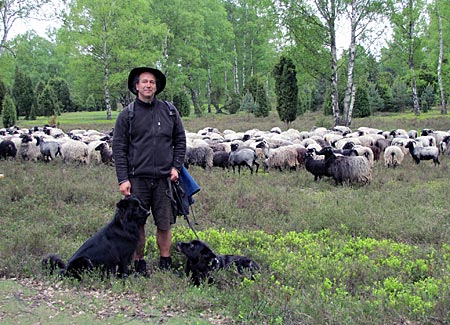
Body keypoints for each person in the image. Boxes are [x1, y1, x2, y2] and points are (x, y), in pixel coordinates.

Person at [112, 67, 186, 275]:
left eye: (152, 82)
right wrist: (123, 179)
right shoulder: (127, 115)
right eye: (144, 82)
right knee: (138, 224)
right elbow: (119, 148)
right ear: (136, 86)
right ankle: (139, 263)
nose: (148, 85)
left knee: (164, 222)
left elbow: (180, 140)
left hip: (164, 179)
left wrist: (176, 167)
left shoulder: (169, 111)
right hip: (137, 180)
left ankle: (165, 262)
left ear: (156, 87)